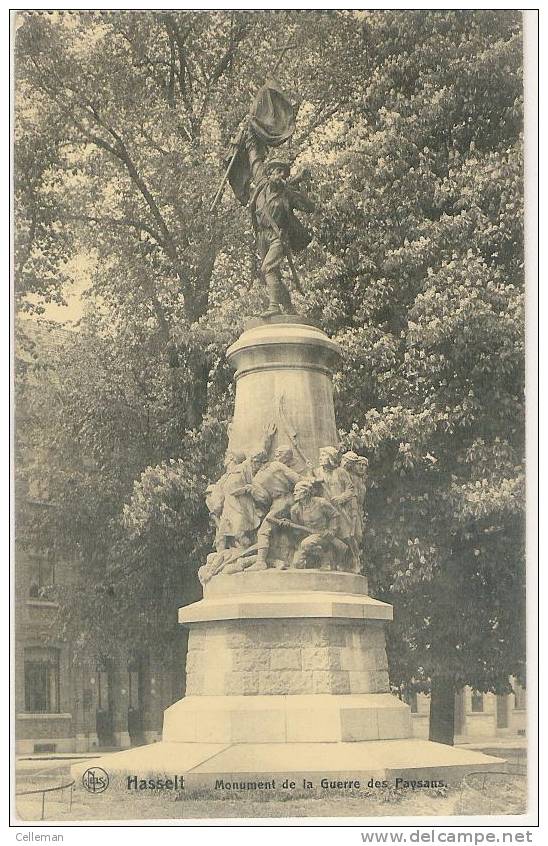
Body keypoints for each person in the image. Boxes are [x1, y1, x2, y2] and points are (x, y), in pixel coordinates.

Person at [248, 142, 315, 316]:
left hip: (279, 236)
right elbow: (255, 161)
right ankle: (289, 307)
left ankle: (274, 307)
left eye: (283, 173)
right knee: (271, 273)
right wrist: (250, 141)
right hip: (262, 236)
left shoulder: (288, 193)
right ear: (268, 174)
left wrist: (303, 186)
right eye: (276, 171)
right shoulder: (261, 189)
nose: (280, 175)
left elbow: (309, 207)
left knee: (267, 268)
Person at [247, 445, 303, 569]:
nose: (251, 464)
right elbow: (297, 479)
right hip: (292, 499)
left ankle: (261, 562)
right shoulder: (277, 465)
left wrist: (252, 492)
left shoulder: (256, 480)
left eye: (252, 461)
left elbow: (264, 500)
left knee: (263, 531)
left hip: (278, 504)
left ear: (256, 462)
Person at [289, 479, 345, 570]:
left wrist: (331, 530)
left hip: (324, 535)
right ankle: (316, 555)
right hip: (307, 537)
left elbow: (335, 515)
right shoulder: (294, 510)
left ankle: (327, 558)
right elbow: (297, 529)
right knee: (297, 564)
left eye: (297, 490)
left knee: (306, 543)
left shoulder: (321, 503)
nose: (294, 493)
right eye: (294, 491)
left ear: (306, 492)